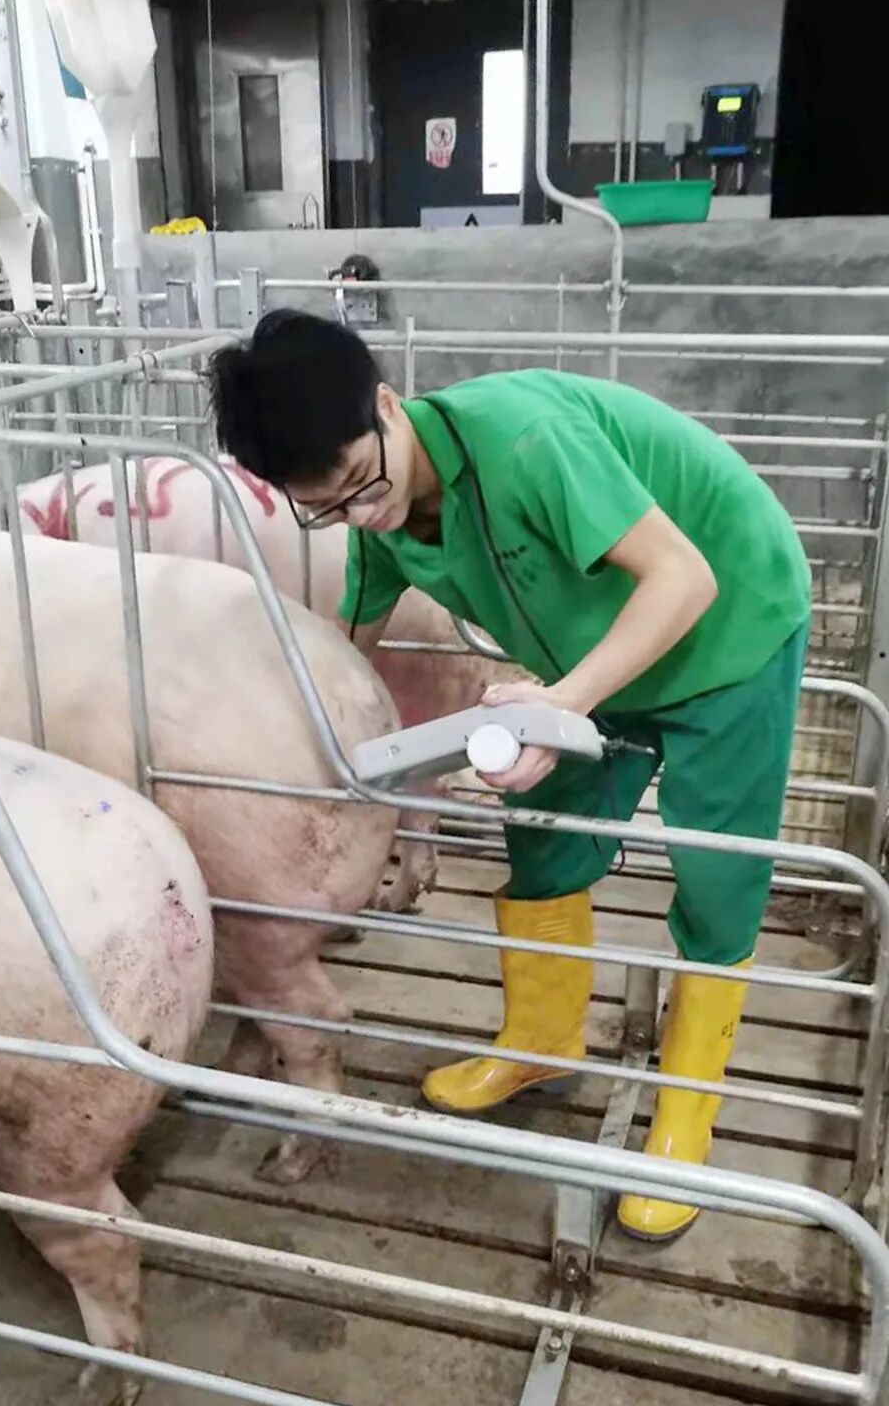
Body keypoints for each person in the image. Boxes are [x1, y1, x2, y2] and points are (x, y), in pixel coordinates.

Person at [207, 308, 812, 1242]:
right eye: (326, 507)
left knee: (716, 870)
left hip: (728, 624)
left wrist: (565, 701)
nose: (361, 514)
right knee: (543, 836)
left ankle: (684, 1123)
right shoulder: (380, 520)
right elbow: (340, 655)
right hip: (588, 660)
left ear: (387, 405)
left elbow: (684, 580)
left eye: (361, 483)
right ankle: (542, 1041)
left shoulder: (527, 441)